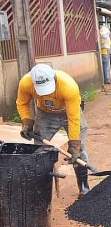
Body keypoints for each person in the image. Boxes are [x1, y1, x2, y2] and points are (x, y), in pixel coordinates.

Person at [16, 64, 90, 198]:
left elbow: (73, 118)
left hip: (69, 113)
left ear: (54, 79)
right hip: (45, 114)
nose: (47, 93)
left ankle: (84, 186)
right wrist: (26, 121)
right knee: (39, 150)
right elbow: (22, 103)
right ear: (33, 82)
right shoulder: (25, 83)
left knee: (80, 150)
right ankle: (42, 189)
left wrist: (74, 145)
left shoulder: (68, 86)